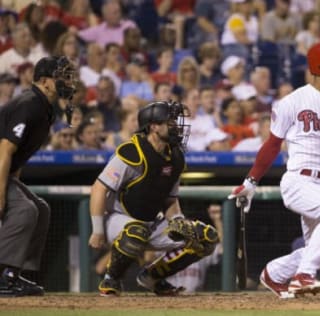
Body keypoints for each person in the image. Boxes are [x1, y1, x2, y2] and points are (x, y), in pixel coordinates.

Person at [228, 39, 320, 298]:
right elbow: (272, 145)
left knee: (319, 248)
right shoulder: (292, 102)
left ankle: (274, 273)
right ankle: (303, 276)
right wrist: (251, 181)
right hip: (299, 180)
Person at [88, 100, 219, 296]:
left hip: (151, 222)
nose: (176, 126)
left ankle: (152, 277)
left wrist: (177, 221)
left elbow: (170, 199)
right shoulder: (132, 152)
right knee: (136, 232)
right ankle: (111, 279)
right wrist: (97, 230)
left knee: (205, 238)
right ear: (153, 127)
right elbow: (99, 188)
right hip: (117, 218)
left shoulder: (175, 157)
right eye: (170, 122)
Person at [0, 55, 77, 296]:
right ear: (44, 81)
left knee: (39, 207)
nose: (68, 81)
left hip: (6, 169)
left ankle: (14, 273)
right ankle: (3, 277)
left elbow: (17, 158)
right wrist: (1, 194)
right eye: (62, 76)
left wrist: (14, 187)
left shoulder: (45, 108)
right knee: (25, 209)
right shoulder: (29, 103)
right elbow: (5, 149)